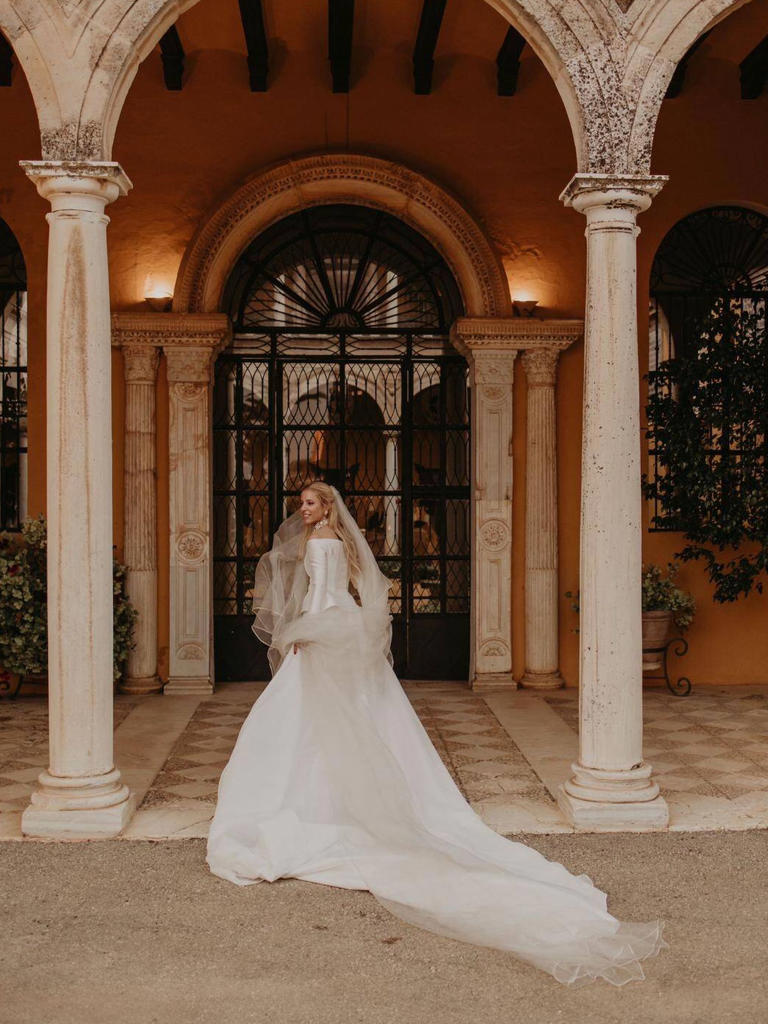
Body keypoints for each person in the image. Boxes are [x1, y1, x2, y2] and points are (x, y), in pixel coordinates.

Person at [206, 482, 667, 986]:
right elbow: (354, 591)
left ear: (326, 509)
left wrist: (305, 637)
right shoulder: (339, 543)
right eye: (302, 503)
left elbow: (316, 596)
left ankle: (317, 804)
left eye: (310, 503)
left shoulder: (316, 544)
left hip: (326, 628)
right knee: (366, 715)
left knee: (309, 720)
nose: (303, 509)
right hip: (348, 624)